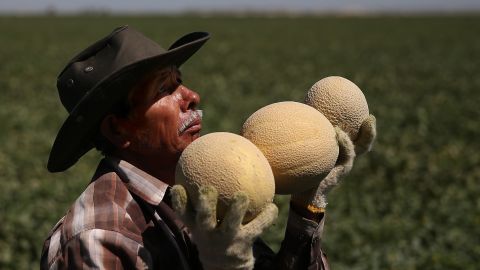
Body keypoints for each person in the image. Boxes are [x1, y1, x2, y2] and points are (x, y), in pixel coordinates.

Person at [41, 25, 376, 270]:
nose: (191, 97)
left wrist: (308, 200)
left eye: (180, 81)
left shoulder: (208, 188)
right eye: (164, 89)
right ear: (118, 128)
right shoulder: (100, 238)